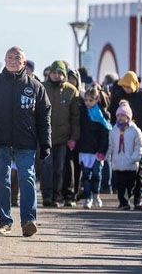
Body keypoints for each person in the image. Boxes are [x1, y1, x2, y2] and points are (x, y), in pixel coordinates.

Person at [0, 46, 51, 238]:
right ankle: (4, 221)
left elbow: (44, 117)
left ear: (23, 63)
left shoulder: (35, 87)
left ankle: (28, 221)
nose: (13, 60)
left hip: (26, 142)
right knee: (1, 181)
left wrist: (46, 142)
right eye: (9, 57)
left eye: (17, 58)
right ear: (4, 60)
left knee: (27, 178)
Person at [109, 71, 142, 210]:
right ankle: (124, 200)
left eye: (128, 86)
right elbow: (111, 115)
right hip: (121, 137)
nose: (126, 89)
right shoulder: (118, 96)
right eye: (124, 86)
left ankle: (138, 199)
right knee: (121, 173)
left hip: (137, 137)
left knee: (138, 170)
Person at [41, 60, 80, 208]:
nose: (57, 76)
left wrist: (74, 138)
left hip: (64, 138)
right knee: (46, 166)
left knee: (59, 168)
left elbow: (76, 118)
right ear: (49, 73)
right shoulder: (42, 88)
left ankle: (57, 197)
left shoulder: (71, 91)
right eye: (54, 72)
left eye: (60, 73)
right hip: (46, 136)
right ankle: (47, 196)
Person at [107, 101, 142, 210]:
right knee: (120, 184)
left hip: (131, 164)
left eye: (122, 115)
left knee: (131, 185)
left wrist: (135, 158)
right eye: (118, 115)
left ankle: (135, 200)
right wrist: (106, 156)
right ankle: (123, 202)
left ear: (128, 117)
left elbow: (139, 146)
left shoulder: (135, 131)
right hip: (118, 163)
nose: (119, 118)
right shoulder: (113, 131)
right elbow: (111, 146)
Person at [77, 84, 110, 209]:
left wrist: (102, 150)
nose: (87, 103)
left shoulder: (103, 115)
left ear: (97, 100)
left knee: (97, 175)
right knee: (86, 176)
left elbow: (105, 134)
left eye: (91, 100)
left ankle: (96, 194)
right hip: (85, 149)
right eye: (86, 100)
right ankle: (87, 197)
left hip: (97, 151)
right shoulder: (82, 113)